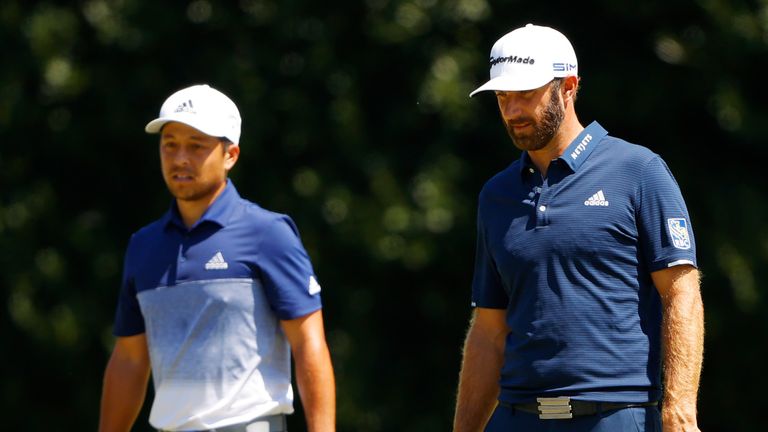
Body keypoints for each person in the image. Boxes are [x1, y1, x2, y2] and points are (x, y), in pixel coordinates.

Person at [453, 24, 704, 432]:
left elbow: (681, 292)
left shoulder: (639, 171)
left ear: (568, 87)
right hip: (516, 418)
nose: (512, 111)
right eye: (502, 97)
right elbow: (489, 329)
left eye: (526, 95)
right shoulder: (495, 195)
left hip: (616, 415)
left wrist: (680, 409)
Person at [99, 84, 335, 432]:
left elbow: (308, 343)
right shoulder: (143, 246)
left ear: (231, 155)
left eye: (196, 146)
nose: (180, 158)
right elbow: (130, 359)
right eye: (170, 145)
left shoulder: (268, 233)